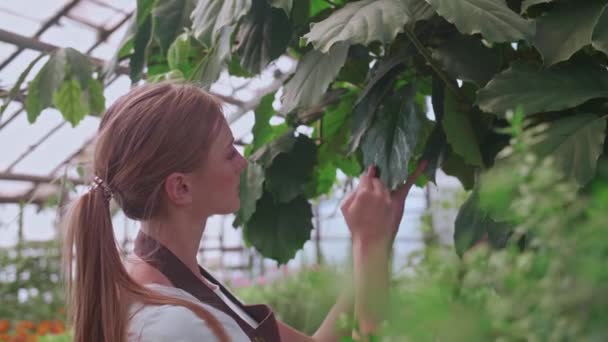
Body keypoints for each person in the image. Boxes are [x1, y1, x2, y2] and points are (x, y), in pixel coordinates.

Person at [62, 82, 425, 342]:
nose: (243, 161)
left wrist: (376, 240)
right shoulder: (174, 327)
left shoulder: (187, 284)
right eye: (228, 152)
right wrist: (370, 247)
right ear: (181, 188)